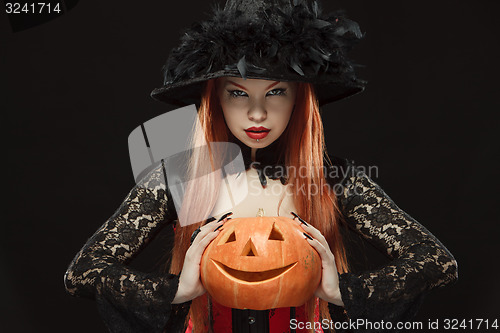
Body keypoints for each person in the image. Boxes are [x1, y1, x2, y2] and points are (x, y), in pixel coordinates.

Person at [64, 0, 458, 332]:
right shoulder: (180, 176)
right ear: (215, 98)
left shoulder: (333, 179)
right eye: (237, 93)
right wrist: (177, 290)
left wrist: (342, 292)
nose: (256, 112)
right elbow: (83, 272)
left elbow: (435, 261)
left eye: (275, 92)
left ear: (299, 100)